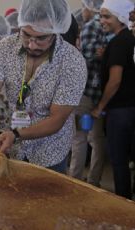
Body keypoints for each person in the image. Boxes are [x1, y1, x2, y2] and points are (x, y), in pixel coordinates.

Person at [0, 0, 87, 174]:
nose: (31, 45)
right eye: (26, 34)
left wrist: (15, 134)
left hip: (49, 151)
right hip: (12, 148)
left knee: (47, 199)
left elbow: (57, 119)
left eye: (41, 38)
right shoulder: (5, 48)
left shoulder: (72, 62)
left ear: (56, 31)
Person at [92, 0, 135, 199]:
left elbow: (115, 80)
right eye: (101, 16)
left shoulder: (119, 42)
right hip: (130, 106)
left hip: (120, 110)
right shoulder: (128, 39)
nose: (102, 21)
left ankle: (123, 202)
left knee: (118, 160)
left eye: (107, 16)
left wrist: (100, 106)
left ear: (121, 18)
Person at [68, 0, 107, 187]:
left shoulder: (92, 25)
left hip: (85, 92)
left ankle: (74, 179)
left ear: (90, 7)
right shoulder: (109, 27)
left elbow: (87, 58)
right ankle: (94, 179)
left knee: (79, 138)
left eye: (84, 7)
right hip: (100, 94)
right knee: (96, 138)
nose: (82, 12)